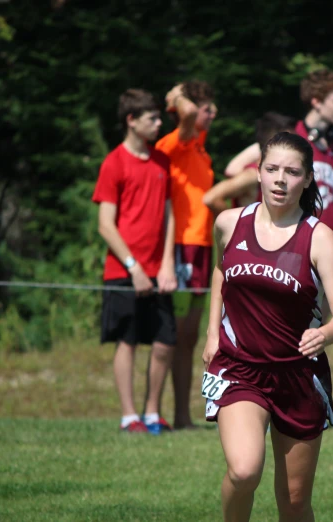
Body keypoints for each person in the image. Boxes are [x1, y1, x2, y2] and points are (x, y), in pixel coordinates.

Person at [202, 132, 333, 521]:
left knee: (294, 501)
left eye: (292, 171)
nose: (280, 179)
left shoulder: (319, 238)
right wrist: (212, 332)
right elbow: (222, 272)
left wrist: (325, 334)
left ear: (307, 179)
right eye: (272, 169)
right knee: (244, 470)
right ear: (259, 173)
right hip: (239, 369)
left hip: (298, 375)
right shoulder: (229, 222)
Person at [92, 89, 178, 434]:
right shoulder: (113, 163)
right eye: (152, 119)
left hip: (160, 271)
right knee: (126, 341)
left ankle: (153, 413)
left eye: (159, 117)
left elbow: (169, 216)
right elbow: (105, 224)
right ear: (131, 120)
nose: (159, 124)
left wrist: (168, 262)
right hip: (124, 272)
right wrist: (134, 267)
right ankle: (129, 417)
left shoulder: (162, 162)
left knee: (163, 342)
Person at [156, 80, 217, 429]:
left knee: (190, 336)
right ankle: (156, 412)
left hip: (202, 247)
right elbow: (190, 112)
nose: (212, 114)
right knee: (176, 333)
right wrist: (177, 94)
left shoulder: (200, 149)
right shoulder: (173, 145)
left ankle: (181, 415)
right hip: (180, 246)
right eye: (207, 108)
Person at [223, 68, 333, 232]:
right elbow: (233, 168)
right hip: (290, 233)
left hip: (326, 233)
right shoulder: (290, 134)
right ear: (317, 101)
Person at [202, 112, 296, 215]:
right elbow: (211, 198)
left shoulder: (287, 175)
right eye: (289, 142)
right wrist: (235, 224)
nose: (296, 147)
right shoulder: (253, 175)